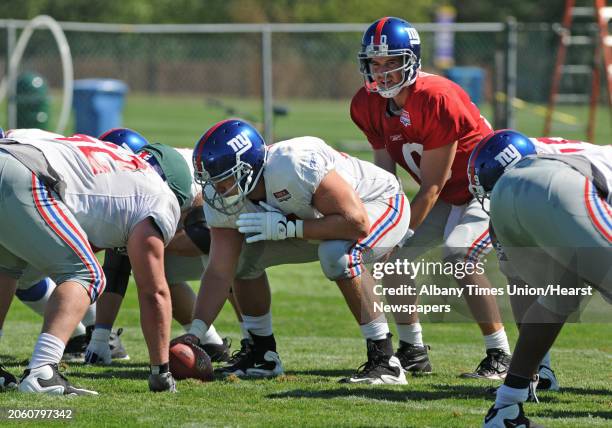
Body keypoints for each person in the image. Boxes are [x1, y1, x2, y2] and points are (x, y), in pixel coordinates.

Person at [173, 119, 413, 384]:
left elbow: (356, 222)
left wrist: (290, 228)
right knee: (240, 259)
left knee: (337, 255)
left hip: (379, 203)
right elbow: (219, 270)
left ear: (248, 169)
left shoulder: (293, 165)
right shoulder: (223, 198)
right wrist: (196, 332)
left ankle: (385, 361)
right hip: (311, 221)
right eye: (211, 181)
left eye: (223, 180)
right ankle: (262, 355)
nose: (216, 190)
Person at [350, 16, 510, 378]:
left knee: (458, 257)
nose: (383, 71)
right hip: (444, 194)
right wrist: (381, 226)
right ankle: (413, 350)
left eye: (392, 62)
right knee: (392, 260)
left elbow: (432, 186)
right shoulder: (367, 103)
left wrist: (399, 232)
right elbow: (384, 177)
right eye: (376, 63)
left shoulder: (436, 98)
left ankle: (500, 355)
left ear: (412, 60)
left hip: (482, 191)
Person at [0, 128, 193, 394]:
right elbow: (154, 293)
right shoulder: (160, 196)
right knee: (86, 274)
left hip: (9, 156)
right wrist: (161, 370)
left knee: (7, 267)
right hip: (27, 175)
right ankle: (42, 372)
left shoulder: (114, 160)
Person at [467, 130, 612, 427]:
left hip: (507, 206)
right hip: (562, 185)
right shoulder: (561, 156)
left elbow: (520, 290)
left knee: (557, 299)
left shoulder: (513, 176)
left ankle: (506, 407)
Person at [83, 128, 232, 365]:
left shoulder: (177, 173)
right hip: (186, 234)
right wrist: (99, 338)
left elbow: (206, 234)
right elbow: (115, 264)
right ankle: (211, 342)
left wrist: (144, 243)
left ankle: (257, 342)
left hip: (220, 239)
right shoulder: (132, 189)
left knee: (231, 264)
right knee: (143, 262)